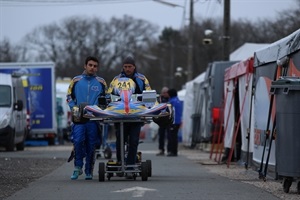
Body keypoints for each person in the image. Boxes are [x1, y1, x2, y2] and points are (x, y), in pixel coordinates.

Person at [107, 56, 151, 177]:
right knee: (120, 139)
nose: (127, 69)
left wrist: (147, 108)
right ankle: (121, 163)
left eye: (129, 67)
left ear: (134, 67)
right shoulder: (116, 79)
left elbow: (148, 94)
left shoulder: (141, 79)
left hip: (135, 115)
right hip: (120, 115)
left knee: (133, 140)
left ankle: (130, 165)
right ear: (123, 67)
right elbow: (108, 95)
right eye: (125, 67)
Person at [66, 56, 107, 180]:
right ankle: (77, 167)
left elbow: (106, 99)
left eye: (95, 66)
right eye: (90, 65)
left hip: (93, 118)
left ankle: (88, 170)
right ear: (85, 66)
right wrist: (74, 109)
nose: (92, 68)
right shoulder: (76, 80)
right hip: (79, 118)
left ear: (97, 68)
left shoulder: (101, 82)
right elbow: (69, 96)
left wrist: (101, 110)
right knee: (78, 141)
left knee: (91, 144)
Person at [166, 88, 183, 157]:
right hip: (178, 121)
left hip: (173, 121)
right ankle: (174, 151)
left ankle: (173, 151)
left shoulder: (171, 102)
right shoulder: (178, 100)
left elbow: (168, 111)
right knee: (174, 136)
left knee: (172, 137)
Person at [156, 86, 170, 156]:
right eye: (163, 93)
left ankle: (169, 149)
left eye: (166, 93)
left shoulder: (170, 99)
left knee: (169, 135)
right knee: (161, 135)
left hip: (168, 119)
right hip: (161, 120)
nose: (165, 94)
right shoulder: (160, 99)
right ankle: (161, 149)